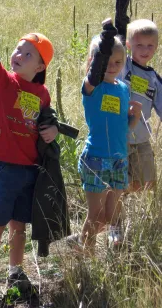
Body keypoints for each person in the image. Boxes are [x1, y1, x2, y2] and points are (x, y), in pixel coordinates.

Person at [0, 0, 58, 303]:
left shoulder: (42, 94)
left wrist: (52, 132)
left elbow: (45, 124)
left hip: (29, 170)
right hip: (4, 168)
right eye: (18, 50)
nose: (18, 55)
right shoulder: (4, 81)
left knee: (19, 226)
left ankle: (15, 273)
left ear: (41, 66)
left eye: (27, 53)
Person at [67, 19, 142, 255]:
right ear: (94, 62)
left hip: (120, 159)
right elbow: (96, 72)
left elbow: (124, 128)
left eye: (118, 62)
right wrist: (107, 38)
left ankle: (92, 245)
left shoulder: (122, 88)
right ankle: (86, 255)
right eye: (107, 61)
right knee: (96, 215)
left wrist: (135, 117)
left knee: (113, 215)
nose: (113, 66)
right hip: (96, 161)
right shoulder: (92, 88)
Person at [114, 0, 161, 193]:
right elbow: (119, 38)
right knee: (118, 184)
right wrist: (122, 6)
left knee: (148, 184)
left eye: (150, 45)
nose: (145, 50)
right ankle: (116, 220)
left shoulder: (154, 79)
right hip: (119, 137)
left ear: (156, 47)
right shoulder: (124, 65)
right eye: (139, 45)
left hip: (141, 138)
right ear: (130, 47)